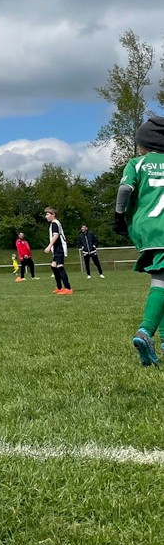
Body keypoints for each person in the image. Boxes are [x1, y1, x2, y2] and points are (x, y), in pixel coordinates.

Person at [113, 115, 164, 367]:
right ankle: (145, 331)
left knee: (161, 281)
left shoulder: (138, 163)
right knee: (162, 282)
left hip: (147, 231)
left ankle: (163, 338)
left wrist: (119, 216)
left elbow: (125, 190)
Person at [43, 207, 72, 295]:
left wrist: (49, 246)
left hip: (59, 248)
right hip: (56, 249)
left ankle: (68, 288)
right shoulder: (53, 224)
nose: (46, 216)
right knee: (53, 266)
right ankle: (59, 287)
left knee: (60, 267)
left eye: (47, 214)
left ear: (53, 215)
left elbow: (56, 236)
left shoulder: (55, 223)